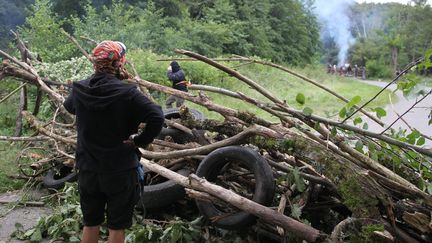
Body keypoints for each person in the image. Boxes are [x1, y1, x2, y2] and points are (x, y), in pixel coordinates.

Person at [63, 40, 164, 243]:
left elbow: (69, 106)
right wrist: (139, 141)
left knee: (90, 223)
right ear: (120, 63)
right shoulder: (127, 93)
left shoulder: (80, 89)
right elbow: (157, 116)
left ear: (95, 63)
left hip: (88, 169)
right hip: (120, 171)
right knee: (116, 227)